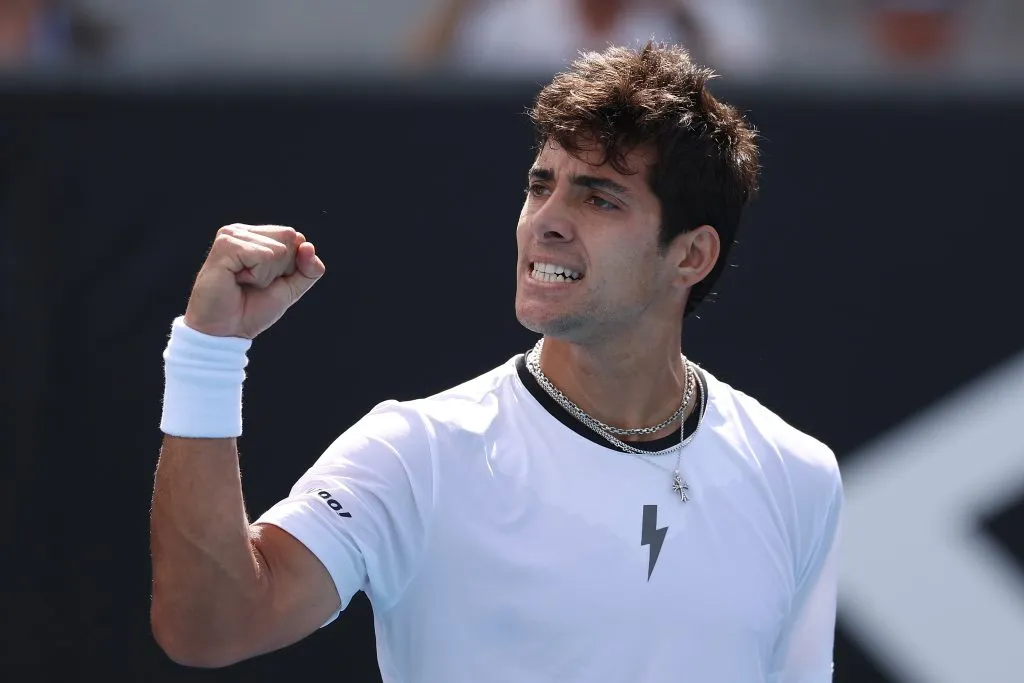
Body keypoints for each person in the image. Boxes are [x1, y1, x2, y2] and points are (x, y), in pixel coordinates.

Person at [149, 42, 842, 682]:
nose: (547, 219)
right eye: (541, 185)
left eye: (598, 197)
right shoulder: (414, 454)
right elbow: (208, 627)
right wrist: (208, 354)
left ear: (690, 255)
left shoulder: (797, 475)